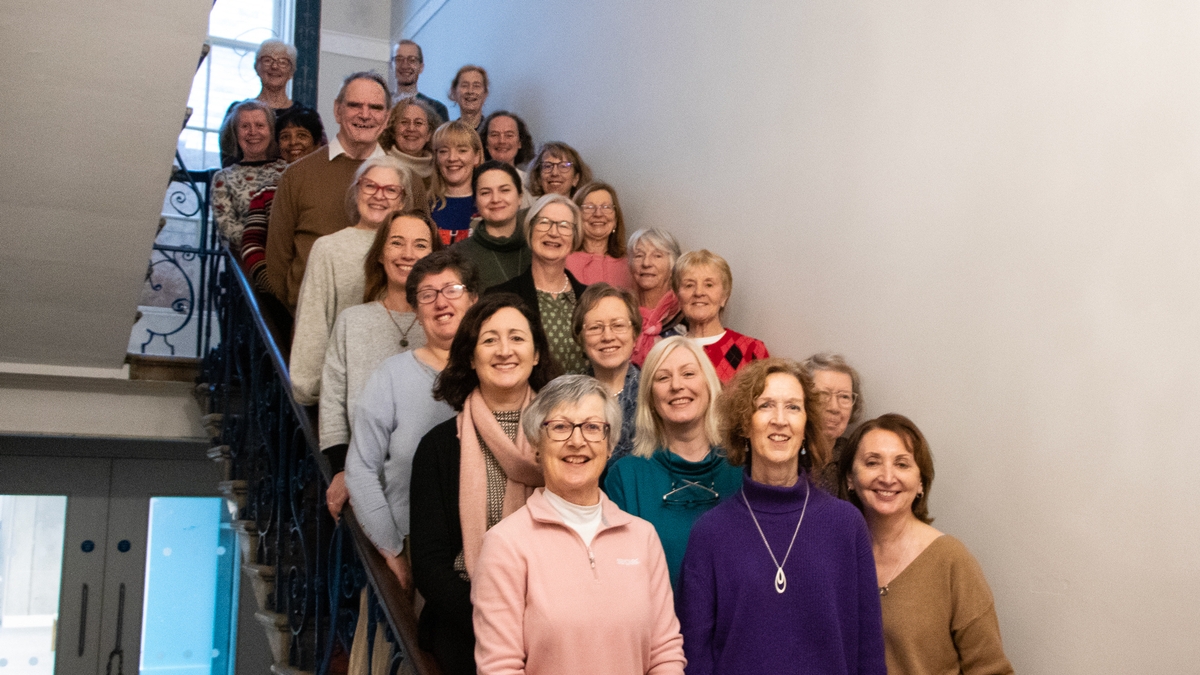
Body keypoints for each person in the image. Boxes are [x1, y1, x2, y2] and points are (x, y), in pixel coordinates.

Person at [677, 358, 886, 675]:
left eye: (793, 407)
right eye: (765, 406)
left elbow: (869, 652)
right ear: (745, 424)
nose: (780, 420)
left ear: (806, 427)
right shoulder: (711, 533)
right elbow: (695, 655)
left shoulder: (846, 525)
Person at [471, 375, 686, 675]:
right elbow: (499, 667)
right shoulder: (505, 545)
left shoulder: (643, 537)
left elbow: (665, 654)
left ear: (610, 446)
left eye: (592, 427)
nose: (577, 440)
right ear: (536, 444)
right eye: (559, 427)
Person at [409, 293, 560, 675]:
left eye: (517, 337)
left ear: (537, 353)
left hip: (554, 616)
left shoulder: (565, 439)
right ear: (471, 357)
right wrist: (493, 620)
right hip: (467, 621)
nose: (504, 350)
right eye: (489, 339)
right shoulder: (438, 448)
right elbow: (429, 564)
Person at [838, 414, 1014, 675]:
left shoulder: (951, 560)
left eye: (902, 464)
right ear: (850, 478)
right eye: (872, 462)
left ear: (920, 481)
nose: (887, 477)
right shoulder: (833, 558)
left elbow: (992, 670)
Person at [344, 250, 480, 587]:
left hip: (487, 548)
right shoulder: (390, 376)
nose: (440, 302)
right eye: (427, 295)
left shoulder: (495, 373)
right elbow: (360, 468)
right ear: (417, 312)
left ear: (474, 300)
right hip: (410, 543)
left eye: (452, 289)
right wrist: (392, 548)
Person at [315, 209, 440, 519]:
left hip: (432, 484)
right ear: (381, 254)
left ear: (435, 258)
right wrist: (342, 469)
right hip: (364, 481)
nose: (408, 254)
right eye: (397, 242)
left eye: (421, 245)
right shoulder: (351, 322)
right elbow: (331, 404)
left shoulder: (445, 325)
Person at [604, 336, 741, 586]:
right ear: (650, 397)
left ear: (709, 385)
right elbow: (618, 579)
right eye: (663, 377)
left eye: (688, 374)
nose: (676, 385)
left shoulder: (742, 470)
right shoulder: (625, 477)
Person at [289, 160, 418, 407]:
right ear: (357, 191)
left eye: (390, 190)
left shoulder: (415, 251)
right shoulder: (329, 249)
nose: (379, 196)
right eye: (370, 186)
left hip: (404, 395)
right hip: (345, 394)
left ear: (402, 201)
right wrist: (311, 389)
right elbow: (313, 323)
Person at [266, 71, 391, 312]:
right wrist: (302, 310)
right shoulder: (297, 175)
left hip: (385, 326)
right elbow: (277, 262)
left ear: (386, 117)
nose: (365, 115)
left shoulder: (408, 181)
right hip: (311, 321)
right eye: (355, 105)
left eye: (375, 107)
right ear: (337, 110)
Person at [487, 195, 589, 375]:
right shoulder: (500, 297)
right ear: (530, 229)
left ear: (575, 237)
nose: (554, 232)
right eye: (544, 222)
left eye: (564, 226)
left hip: (584, 401)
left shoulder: (590, 299)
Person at [237, 106, 326, 297]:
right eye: (285, 136)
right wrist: (273, 285)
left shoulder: (332, 187)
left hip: (324, 290)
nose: (293, 142)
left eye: (302, 135)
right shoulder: (265, 193)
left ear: (318, 142)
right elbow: (251, 242)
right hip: (277, 295)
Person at [672, 249, 769, 384]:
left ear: (724, 296)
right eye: (689, 285)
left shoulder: (751, 350)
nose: (699, 292)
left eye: (709, 285)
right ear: (678, 296)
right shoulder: (668, 351)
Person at [570, 284, 642, 465]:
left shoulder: (655, 392)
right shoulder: (565, 398)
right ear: (580, 337)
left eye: (618, 325)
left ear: (635, 334)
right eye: (595, 328)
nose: (608, 336)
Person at [211, 100, 287, 253]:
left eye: (260, 126)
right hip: (248, 259)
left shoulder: (289, 171)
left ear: (271, 130)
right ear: (234, 133)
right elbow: (227, 228)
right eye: (245, 126)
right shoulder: (223, 178)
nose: (253, 132)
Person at [219, 39, 302, 167]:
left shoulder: (305, 115)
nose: (274, 67)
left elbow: (317, 159)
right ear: (256, 67)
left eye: (283, 62)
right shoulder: (237, 111)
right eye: (267, 60)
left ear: (292, 72)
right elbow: (228, 157)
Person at [450, 161, 531, 290]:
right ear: (475, 202)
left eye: (504, 190)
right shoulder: (457, 255)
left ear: (520, 197)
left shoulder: (538, 246)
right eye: (485, 193)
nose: (496, 199)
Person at [803, 352, 865, 491]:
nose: (834, 407)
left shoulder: (855, 457)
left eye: (844, 397)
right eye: (823, 395)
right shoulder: (784, 455)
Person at [627, 228, 683, 367]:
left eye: (657, 256)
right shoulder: (621, 313)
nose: (646, 263)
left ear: (672, 265)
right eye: (639, 256)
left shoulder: (686, 315)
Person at [566, 181, 634, 290]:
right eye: (589, 207)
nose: (598, 214)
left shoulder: (632, 265)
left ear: (616, 219)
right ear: (576, 217)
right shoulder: (562, 261)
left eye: (606, 207)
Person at [429, 121, 484, 246]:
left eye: (462, 150)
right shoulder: (425, 206)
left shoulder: (487, 204)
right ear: (436, 158)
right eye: (443, 151)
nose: (452, 158)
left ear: (476, 156)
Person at [379, 97, 440, 203]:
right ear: (393, 130)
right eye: (404, 122)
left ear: (429, 134)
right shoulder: (379, 167)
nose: (411, 128)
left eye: (418, 123)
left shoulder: (440, 171)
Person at [481, 111, 535, 207]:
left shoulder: (530, 183)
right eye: (494, 135)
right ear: (485, 143)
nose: (502, 141)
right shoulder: (474, 180)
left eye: (509, 135)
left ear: (520, 142)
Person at [392, 39, 450, 122]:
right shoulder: (380, 104)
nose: (405, 65)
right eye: (399, 59)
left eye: (412, 60)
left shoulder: (437, 109)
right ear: (391, 65)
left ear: (421, 67)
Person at [527, 142, 593, 199]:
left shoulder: (584, 213)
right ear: (538, 177)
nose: (554, 173)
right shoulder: (527, 213)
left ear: (576, 178)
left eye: (563, 166)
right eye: (547, 166)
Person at [448, 65, 489, 131]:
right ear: (454, 92)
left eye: (476, 86)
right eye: (465, 86)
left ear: (485, 94)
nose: (470, 91)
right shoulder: (447, 135)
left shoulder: (491, 133)